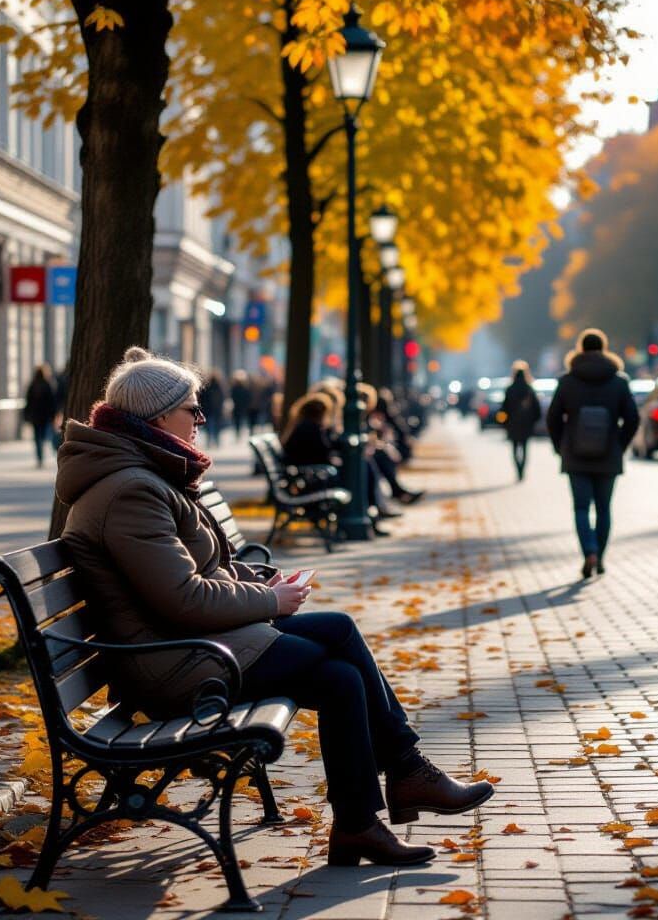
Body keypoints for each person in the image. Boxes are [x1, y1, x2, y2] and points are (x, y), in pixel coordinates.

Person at [55, 347, 492, 866]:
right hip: (174, 663)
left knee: (340, 671)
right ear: (155, 417)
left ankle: (370, 813)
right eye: (191, 409)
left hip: (186, 648)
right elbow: (182, 597)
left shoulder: (142, 473)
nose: (201, 418)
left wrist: (255, 581)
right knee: (339, 647)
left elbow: (193, 574)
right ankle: (402, 778)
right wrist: (270, 598)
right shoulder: (132, 489)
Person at [546, 329, 639, 579]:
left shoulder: (567, 381)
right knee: (604, 508)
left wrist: (560, 445)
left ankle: (589, 551)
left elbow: (552, 418)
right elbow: (633, 418)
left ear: (580, 349)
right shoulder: (619, 381)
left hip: (575, 454)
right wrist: (620, 443)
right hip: (608, 454)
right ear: (605, 347)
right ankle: (601, 557)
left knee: (580, 508)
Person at [500, 360, 541, 481]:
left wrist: (504, 423)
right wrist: (533, 420)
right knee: (525, 448)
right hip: (526, 424)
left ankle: (518, 469)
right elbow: (536, 408)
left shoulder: (510, 389)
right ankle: (522, 469)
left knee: (514, 448)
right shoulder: (529, 389)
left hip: (512, 423)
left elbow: (504, 408)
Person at [24, 363, 59, 467]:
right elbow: (52, 402)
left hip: (35, 416)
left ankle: (39, 457)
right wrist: (53, 415)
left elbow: (28, 401)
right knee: (43, 436)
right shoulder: (48, 384)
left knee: (37, 436)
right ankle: (41, 455)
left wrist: (27, 415)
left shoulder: (32, 385)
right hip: (45, 416)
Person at [198, 370, 228, 447]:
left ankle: (209, 441)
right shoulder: (220, 387)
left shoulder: (207, 386)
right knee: (216, 426)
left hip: (208, 410)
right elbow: (222, 398)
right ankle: (217, 441)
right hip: (216, 410)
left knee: (209, 426)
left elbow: (202, 398)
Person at [229, 371, 253, 438]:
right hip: (242, 407)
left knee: (238, 421)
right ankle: (239, 432)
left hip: (237, 407)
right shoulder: (244, 388)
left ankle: (238, 432)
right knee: (241, 420)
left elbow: (232, 397)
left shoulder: (234, 388)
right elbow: (248, 398)